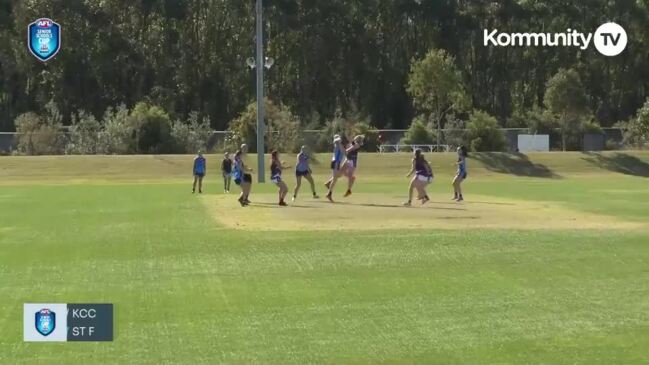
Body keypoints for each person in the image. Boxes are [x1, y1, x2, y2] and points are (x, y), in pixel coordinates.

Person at [324, 134, 345, 202]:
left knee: (339, 175)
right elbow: (344, 152)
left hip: (336, 162)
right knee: (335, 178)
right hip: (336, 162)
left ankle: (328, 183)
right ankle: (329, 194)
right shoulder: (338, 145)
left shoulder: (337, 145)